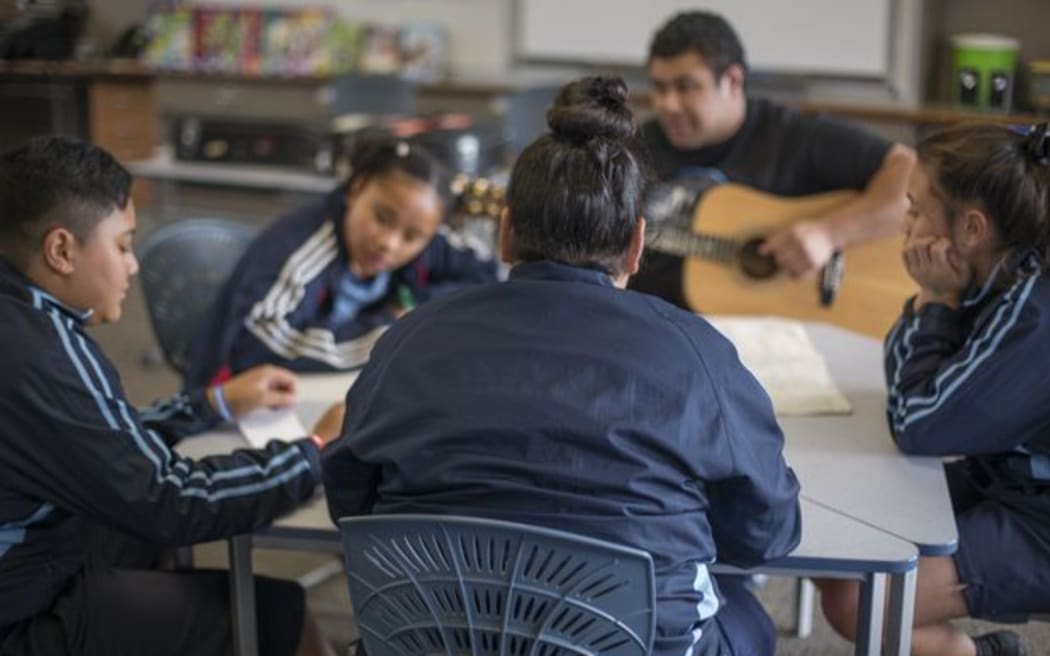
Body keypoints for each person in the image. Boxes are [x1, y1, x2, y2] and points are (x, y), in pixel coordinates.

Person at [321, 76, 801, 656]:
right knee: (747, 617)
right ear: (636, 247)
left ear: (504, 232)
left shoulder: (408, 340)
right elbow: (767, 533)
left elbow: (350, 503)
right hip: (633, 644)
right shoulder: (696, 354)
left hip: (437, 638)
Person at [0, 136, 340, 656]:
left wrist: (213, 404)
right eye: (122, 245)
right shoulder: (45, 352)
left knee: (148, 538)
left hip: (29, 555)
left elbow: (103, 447)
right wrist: (315, 454)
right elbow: (171, 499)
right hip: (17, 615)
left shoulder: (19, 318)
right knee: (278, 615)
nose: (133, 266)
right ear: (62, 250)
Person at [818, 123, 1050, 656]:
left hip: (1038, 521)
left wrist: (934, 299)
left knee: (857, 602)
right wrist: (933, 300)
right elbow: (905, 381)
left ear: (971, 228)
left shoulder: (1033, 315)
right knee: (835, 534)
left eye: (917, 208)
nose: (906, 222)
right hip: (1004, 479)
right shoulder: (992, 277)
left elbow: (919, 425)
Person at [631, 10, 915, 308]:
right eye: (660, 88)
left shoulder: (793, 136)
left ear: (732, 81)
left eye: (686, 87)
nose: (668, 104)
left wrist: (829, 233)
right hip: (664, 329)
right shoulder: (633, 150)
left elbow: (911, 177)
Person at [184, 132, 499, 388]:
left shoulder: (426, 237)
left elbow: (488, 279)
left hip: (337, 385)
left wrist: (419, 308)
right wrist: (392, 331)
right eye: (382, 217)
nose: (389, 243)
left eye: (411, 237)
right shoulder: (304, 246)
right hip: (233, 402)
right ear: (357, 188)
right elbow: (254, 347)